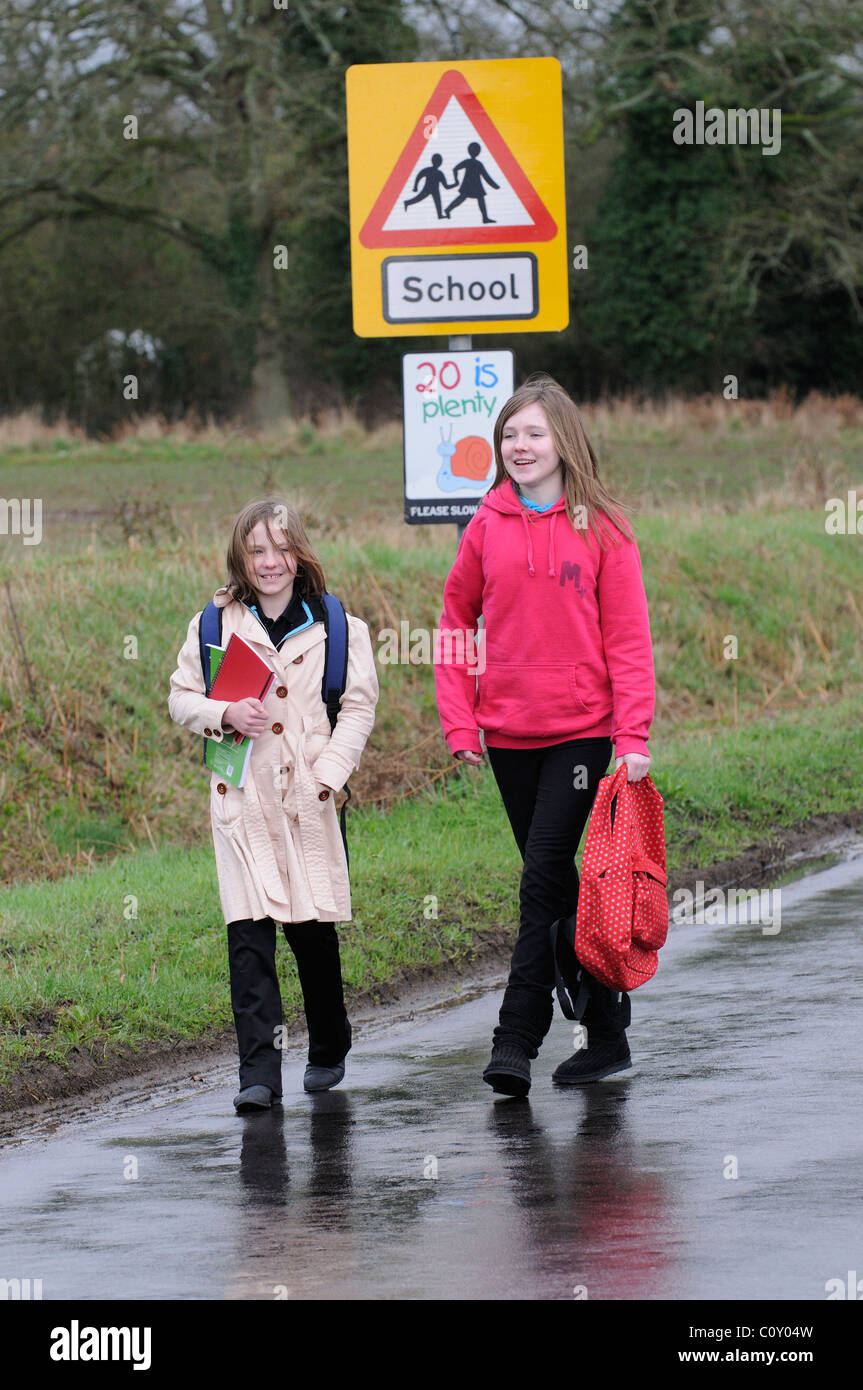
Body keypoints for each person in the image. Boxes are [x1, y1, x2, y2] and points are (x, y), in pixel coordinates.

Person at [434, 375, 655, 1097]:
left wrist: (632, 735)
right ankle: (607, 1035)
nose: (518, 447)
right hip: (508, 737)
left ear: (562, 440)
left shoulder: (605, 527)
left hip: (584, 738)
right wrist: (459, 719)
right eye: (508, 435)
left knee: (538, 884)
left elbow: (628, 640)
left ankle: (514, 1042)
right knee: (563, 895)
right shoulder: (485, 524)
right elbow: (452, 622)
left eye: (531, 434)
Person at [168, 498, 378, 1113]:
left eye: (280, 548)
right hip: (242, 801)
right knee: (249, 936)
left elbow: (358, 707)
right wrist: (224, 713)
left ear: (299, 553)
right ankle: (257, 1072)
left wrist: (330, 777)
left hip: (308, 800)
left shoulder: (339, 624)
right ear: (240, 557)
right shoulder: (213, 624)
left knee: (311, 933)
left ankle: (329, 1044)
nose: (268, 562)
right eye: (255, 550)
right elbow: (181, 698)